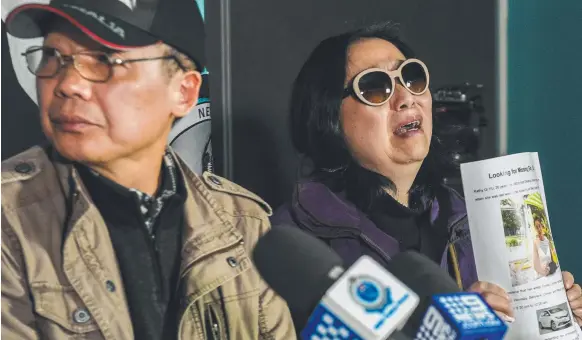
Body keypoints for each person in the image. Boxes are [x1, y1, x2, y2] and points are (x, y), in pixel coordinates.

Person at [1, 1, 295, 339]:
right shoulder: (9, 219)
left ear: (184, 92)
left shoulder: (242, 222)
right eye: (53, 56)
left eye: (105, 60)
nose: (68, 83)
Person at [271, 22, 582, 329]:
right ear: (328, 116)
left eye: (412, 78)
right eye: (376, 87)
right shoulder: (295, 243)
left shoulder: (470, 221)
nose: (406, 97)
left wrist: (558, 320)